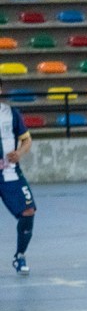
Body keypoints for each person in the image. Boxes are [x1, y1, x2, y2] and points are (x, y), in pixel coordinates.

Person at [1, 78, 37, 276]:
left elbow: (27, 140)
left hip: (10, 173)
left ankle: (20, 256)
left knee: (28, 211)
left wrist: (19, 153)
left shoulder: (11, 114)